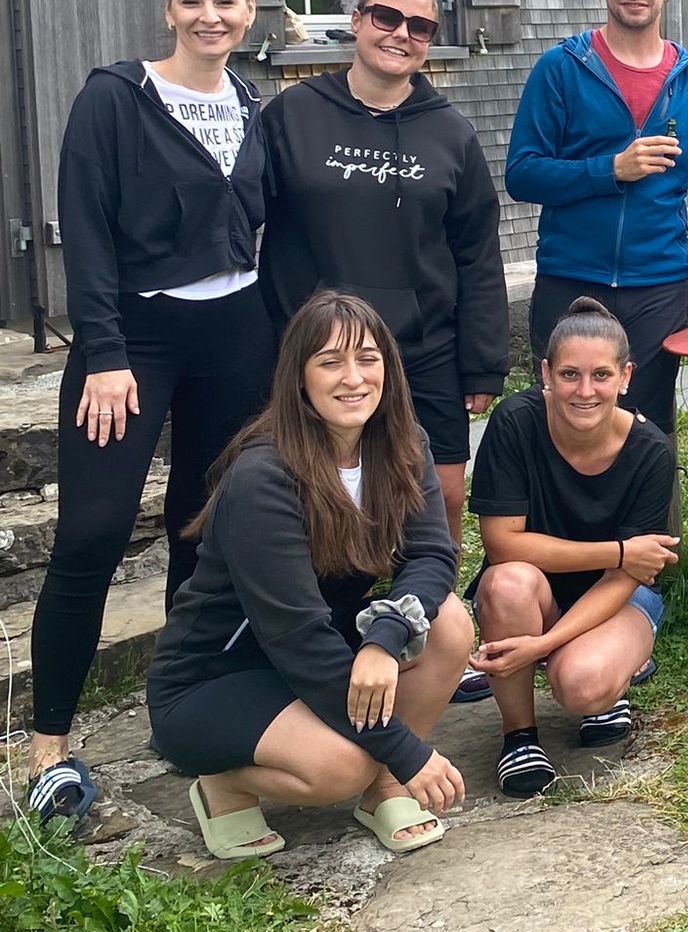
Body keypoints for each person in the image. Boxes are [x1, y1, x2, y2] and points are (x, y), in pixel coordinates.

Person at [25, 0, 278, 830]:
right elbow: (86, 229)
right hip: (134, 337)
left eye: (225, 1)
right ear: (168, 8)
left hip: (236, 335)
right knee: (91, 534)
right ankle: (48, 743)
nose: (210, 16)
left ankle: (181, 706)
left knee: (202, 528)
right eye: (192, 0)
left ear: (248, 11)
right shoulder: (116, 98)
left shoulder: (251, 103)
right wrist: (102, 352)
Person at [146, 293, 473, 859]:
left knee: (449, 623)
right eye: (330, 362)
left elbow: (432, 554)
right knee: (341, 767)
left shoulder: (402, 442)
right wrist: (408, 751)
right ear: (298, 377)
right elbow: (297, 638)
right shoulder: (263, 477)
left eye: (367, 359)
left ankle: (386, 791)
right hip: (216, 677)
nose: (354, 378)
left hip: (323, 649)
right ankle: (222, 781)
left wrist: (385, 637)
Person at [259, 0, 506, 546]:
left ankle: (432, 592)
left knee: (440, 491)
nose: (401, 34)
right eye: (386, 17)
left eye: (419, 27)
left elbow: (477, 252)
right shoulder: (293, 114)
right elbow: (241, 217)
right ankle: (329, 594)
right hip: (315, 348)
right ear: (356, 22)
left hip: (422, 347)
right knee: (314, 488)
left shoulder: (451, 133)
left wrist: (482, 362)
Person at [506, 0, 688, 463]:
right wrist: (610, 169)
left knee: (647, 434)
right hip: (571, 279)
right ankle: (556, 522)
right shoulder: (562, 69)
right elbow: (522, 173)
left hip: (657, 287)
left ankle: (651, 521)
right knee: (562, 426)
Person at [465, 298, 678, 796]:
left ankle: (614, 669)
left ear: (625, 377)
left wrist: (541, 647)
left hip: (617, 596)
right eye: (569, 374)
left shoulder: (652, 452)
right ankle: (519, 736)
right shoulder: (515, 422)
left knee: (582, 685)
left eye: (601, 375)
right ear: (545, 373)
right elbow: (502, 544)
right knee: (507, 583)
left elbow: (627, 578)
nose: (585, 391)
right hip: (534, 588)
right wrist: (620, 551)